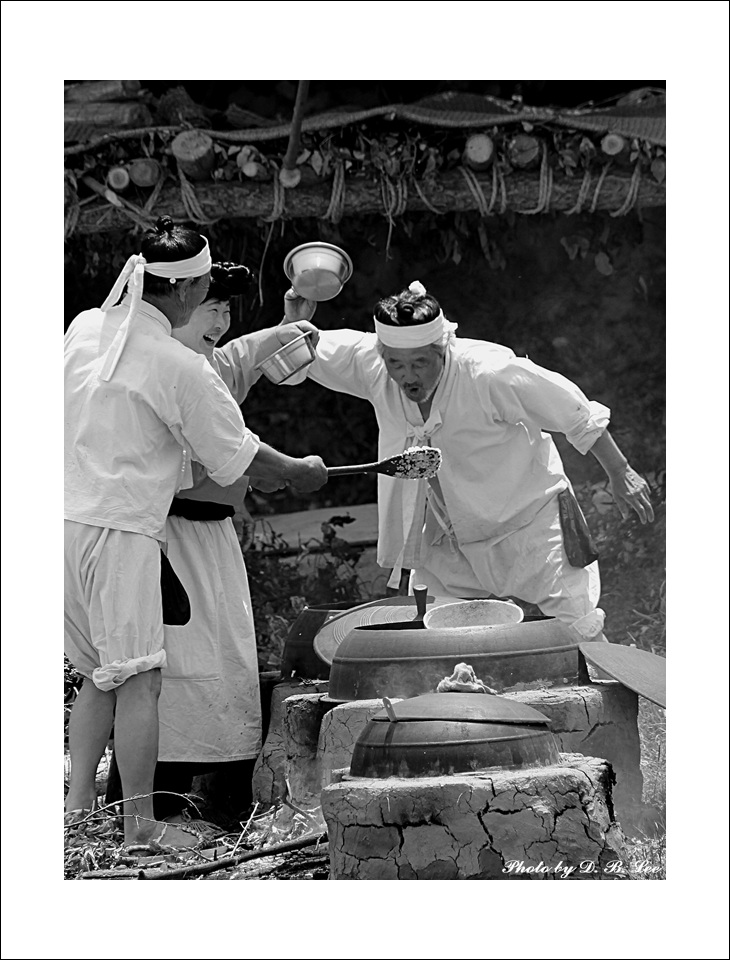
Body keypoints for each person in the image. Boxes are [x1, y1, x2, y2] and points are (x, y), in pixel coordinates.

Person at [64, 217, 327, 847]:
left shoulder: (86, 327)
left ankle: (76, 814)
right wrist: (299, 472)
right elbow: (241, 456)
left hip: (63, 520)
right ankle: (140, 829)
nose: (214, 300)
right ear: (185, 291)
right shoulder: (178, 363)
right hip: (122, 529)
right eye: (209, 288)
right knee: (140, 678)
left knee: (99, 673)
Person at [278, 280, 653, 639]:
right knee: (442, 636)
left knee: (578, 629)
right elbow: (296, 357)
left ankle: (609, 681)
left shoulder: (488, 373)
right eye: (396, 364)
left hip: (529, 524)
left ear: (442, 350)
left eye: (420, 363)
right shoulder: (373, 365)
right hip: (447, 535)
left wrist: (620, 472)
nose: (407, 376)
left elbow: (574, 413)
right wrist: (291, 323)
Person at [149, 261, 320, 820]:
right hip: (168, 539)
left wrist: (291, 322)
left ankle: (218, 805)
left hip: (215, 539)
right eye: (210, 307)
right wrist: (285, 469)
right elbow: (233, 452)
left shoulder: (211, 365)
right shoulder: (161, 370)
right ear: (177, 306)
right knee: (176, 670)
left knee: (225, 665)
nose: (220, 321)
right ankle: (155, 803)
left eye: (225, 309)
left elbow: (250, 355)